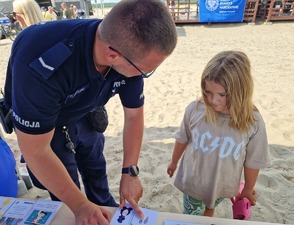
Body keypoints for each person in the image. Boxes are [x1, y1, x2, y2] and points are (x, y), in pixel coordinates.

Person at [4, 1, 177, 225]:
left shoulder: (127, 48)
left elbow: (134, 115)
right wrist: (80, 206)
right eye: (146, 70)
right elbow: (35, 150)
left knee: (96, 167)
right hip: (47, 127)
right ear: (112, 55)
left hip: (87, 109)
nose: (144, 75)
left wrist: (130, 171)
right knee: (68, 198)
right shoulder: (40, 62)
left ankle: (104, 208)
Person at [167, 51, 271, 217]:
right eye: (208, 92)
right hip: (194, 183)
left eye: (222, 95)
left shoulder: (253, 121)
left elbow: (253, 160)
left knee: (209, 209)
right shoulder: (195, 109)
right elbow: (183, 137)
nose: (213, 100)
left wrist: (249, 189)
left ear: (240, 91)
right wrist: (174, 161)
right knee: (192, 216)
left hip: (223, 185)